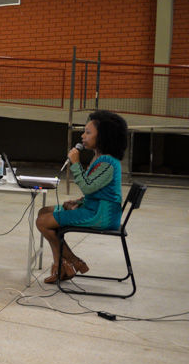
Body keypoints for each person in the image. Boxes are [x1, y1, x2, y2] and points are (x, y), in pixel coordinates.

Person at [36, 110, 128, 284]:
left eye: (88, 132)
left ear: (103, 137)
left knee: (43, 222)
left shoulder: (108, 163)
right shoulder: (100, 158)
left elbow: (87, 187)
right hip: (92, 208)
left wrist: (76, 163)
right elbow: (95, 191)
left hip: (102, 215)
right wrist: (77, 202)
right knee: (44, 211)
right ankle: (62, 266)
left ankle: (72, 262)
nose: (83, 136)